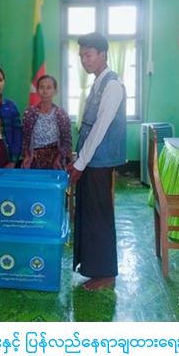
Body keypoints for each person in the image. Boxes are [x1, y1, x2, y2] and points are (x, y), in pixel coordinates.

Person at [68, 32, 127, 291]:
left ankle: (106, 273)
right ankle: (93, 268)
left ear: (103, 54)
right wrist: (79, 158)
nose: (84, 60)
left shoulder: (112, 86)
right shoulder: (98, 83)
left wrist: (80, 163)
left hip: (99, 162)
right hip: (90, 159)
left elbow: (100, 129)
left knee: (99, 215)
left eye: (88, 55)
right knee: (90, 213)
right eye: (81, 55)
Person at [21, 75, 72, 169]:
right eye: (42, 87)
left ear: (55, 91)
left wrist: (58, 158)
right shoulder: (29, 113)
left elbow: (66, 141)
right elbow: (25, 139)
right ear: (37, 91)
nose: (45, 91)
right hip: (34, 159)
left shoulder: (61, 114)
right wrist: (27, 156)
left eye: (49, 87)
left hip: (55, 159)